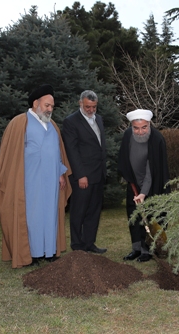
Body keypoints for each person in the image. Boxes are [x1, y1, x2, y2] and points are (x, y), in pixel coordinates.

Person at [0, 84, 72, 268]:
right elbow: (11, 155)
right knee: (33, 216)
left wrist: (61, 173)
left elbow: (58, 153)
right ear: (36, 103)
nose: (50, 109)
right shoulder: (20, 123)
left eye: (52, 106)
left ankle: (49, 251)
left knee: (50, 215)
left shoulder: (52, 126)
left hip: (51, 181)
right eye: (47, 105)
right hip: (30, 181)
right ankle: (33, 254)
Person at [118, 109, 170, 262]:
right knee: (134, 217)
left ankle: (148, 250)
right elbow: (123, 159)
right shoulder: (128, 135)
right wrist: (129, 180)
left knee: (150, 217)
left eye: (144, 127)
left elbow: (151, 172)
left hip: (153, 186)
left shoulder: (156, 140)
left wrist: (144, 193)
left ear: (149, 125)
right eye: (136, 128)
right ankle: (136, 248)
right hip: (133, 184)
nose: (140, 132)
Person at [62, 90, 107, 253]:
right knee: (79, 211)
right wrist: (80, 175)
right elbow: (71, 151)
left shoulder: (99, 119)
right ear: (80, 103)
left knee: (94, 211)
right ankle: (77, 246)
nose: (91, 110)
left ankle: (89, 243)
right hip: (82, 176)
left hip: (98, 174)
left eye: (94, 107)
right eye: (88, 106)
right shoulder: (71, 122)